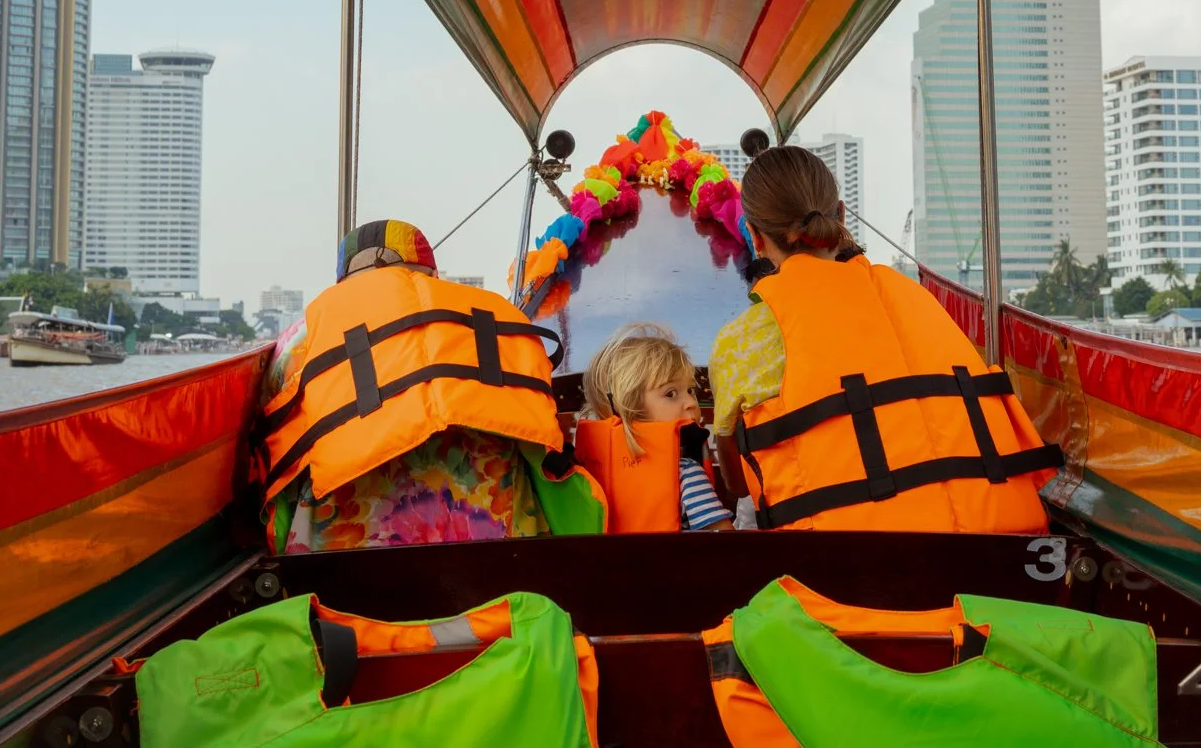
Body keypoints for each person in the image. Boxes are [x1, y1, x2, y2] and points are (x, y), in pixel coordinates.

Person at [709, 146, 1059, 532]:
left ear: (755, 238)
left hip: (843, 579)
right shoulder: (915, 296)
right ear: (840, 215)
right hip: (1005, 558)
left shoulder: (742, 340)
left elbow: (737, 484)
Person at [257, 219, 603, 551]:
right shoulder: (497, 317)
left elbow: (277, 443)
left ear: (343, 282)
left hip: (340, 565)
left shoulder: (301, 337)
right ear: (433, 274)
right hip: (498, 548)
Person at [575, 323, 732, 531]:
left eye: (690, 390)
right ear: (628, 406)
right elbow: (728, 547)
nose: (692, 402)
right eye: (671, 393)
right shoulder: (686, 474)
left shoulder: (583, 476)